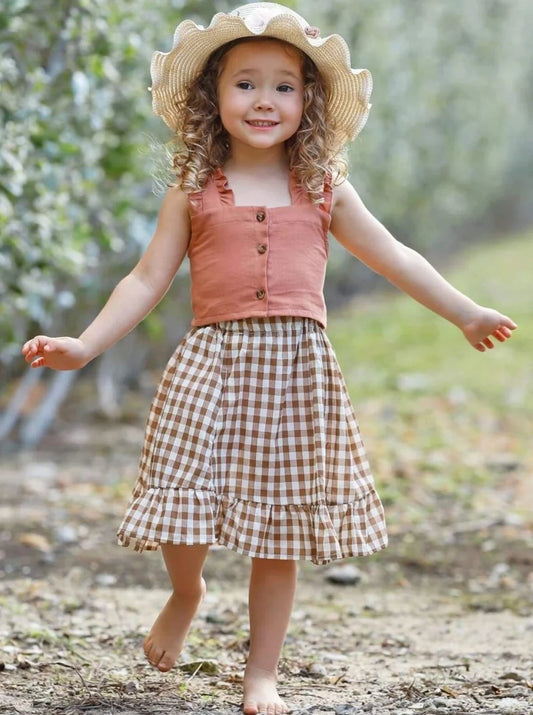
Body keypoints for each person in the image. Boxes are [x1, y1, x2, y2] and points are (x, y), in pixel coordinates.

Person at [22, 3, 516, 713]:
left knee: (275, 527)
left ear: (307, 100)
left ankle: (262, 672)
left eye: (283, 86)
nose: (264, 100)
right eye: (245, 84)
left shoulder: (322, 187)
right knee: (180, 494)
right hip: (212, 362)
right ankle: (186, 590)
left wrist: (463, 310)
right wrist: (86, 344)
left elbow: (393, 256)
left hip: (293, 374)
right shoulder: (192, 190)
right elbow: (145, 277)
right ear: (212, 97)